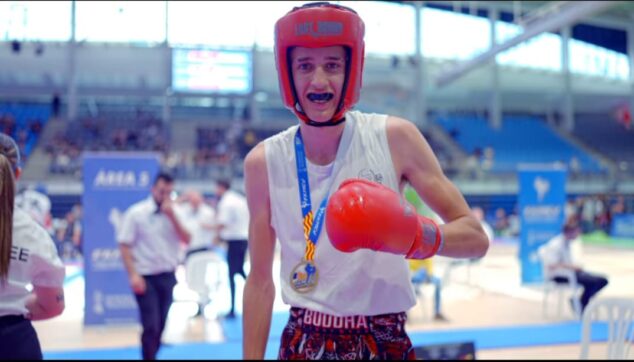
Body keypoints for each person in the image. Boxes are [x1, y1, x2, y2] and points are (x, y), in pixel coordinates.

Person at [242, 2, 489, 360]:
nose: (319, 81)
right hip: (303, 338)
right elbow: (260, 281)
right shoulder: (263, 163)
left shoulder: (395, 138)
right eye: (305, 66)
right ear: (288, 74)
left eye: (332, 65)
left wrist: (415, 236)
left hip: (383, 336)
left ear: (351, 70)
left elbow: (475, 239)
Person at [0, 133, 66, 360]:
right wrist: (14, 306)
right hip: (16, 343)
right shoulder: (35, 235)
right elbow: (53, 306)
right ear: (17, 174)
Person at [117, 172, 191, 360]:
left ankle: (152, 355)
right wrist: (133, 275)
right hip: (145, 277)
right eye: (161, 191)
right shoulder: (136, 213)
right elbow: (124, 244)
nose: (164, 195)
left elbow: (187, 239)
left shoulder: (177, 212)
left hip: (168, 276)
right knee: (151, 325)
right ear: (153, 189)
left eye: (169, 192)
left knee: (161, 325)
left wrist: (172, 216)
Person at [538, 217, 608, 313]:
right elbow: (551, 264)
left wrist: (574, 267)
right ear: (570, 232)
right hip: (560, 275)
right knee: (593, 282)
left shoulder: (568, 243)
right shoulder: (556, 244)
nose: (578, 234)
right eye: (576, 232)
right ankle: (581, 303)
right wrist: (571, 267)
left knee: (602, 280)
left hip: (571, 272)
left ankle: (580, 302)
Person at [176, 189, 218, 316]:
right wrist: (182, 198)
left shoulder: (208, 212)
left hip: (203, 249)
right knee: (191, 280)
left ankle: (202, 304)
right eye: (192, 200)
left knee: (201, 279)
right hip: (189, 251)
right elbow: (171, 208)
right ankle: (200, 302)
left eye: (196, 200)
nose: (194, 203)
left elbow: (216, 228)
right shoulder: (183, 210)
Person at [214, 179, 249, 319]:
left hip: (234, 241)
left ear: (220, 187)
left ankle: (233, 309)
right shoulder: (239, 199)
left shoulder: (226, 202)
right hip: (242, 239)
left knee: (232, 274)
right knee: (239, 271)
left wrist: (210, 230)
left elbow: (223, 223)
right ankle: (257, 290)